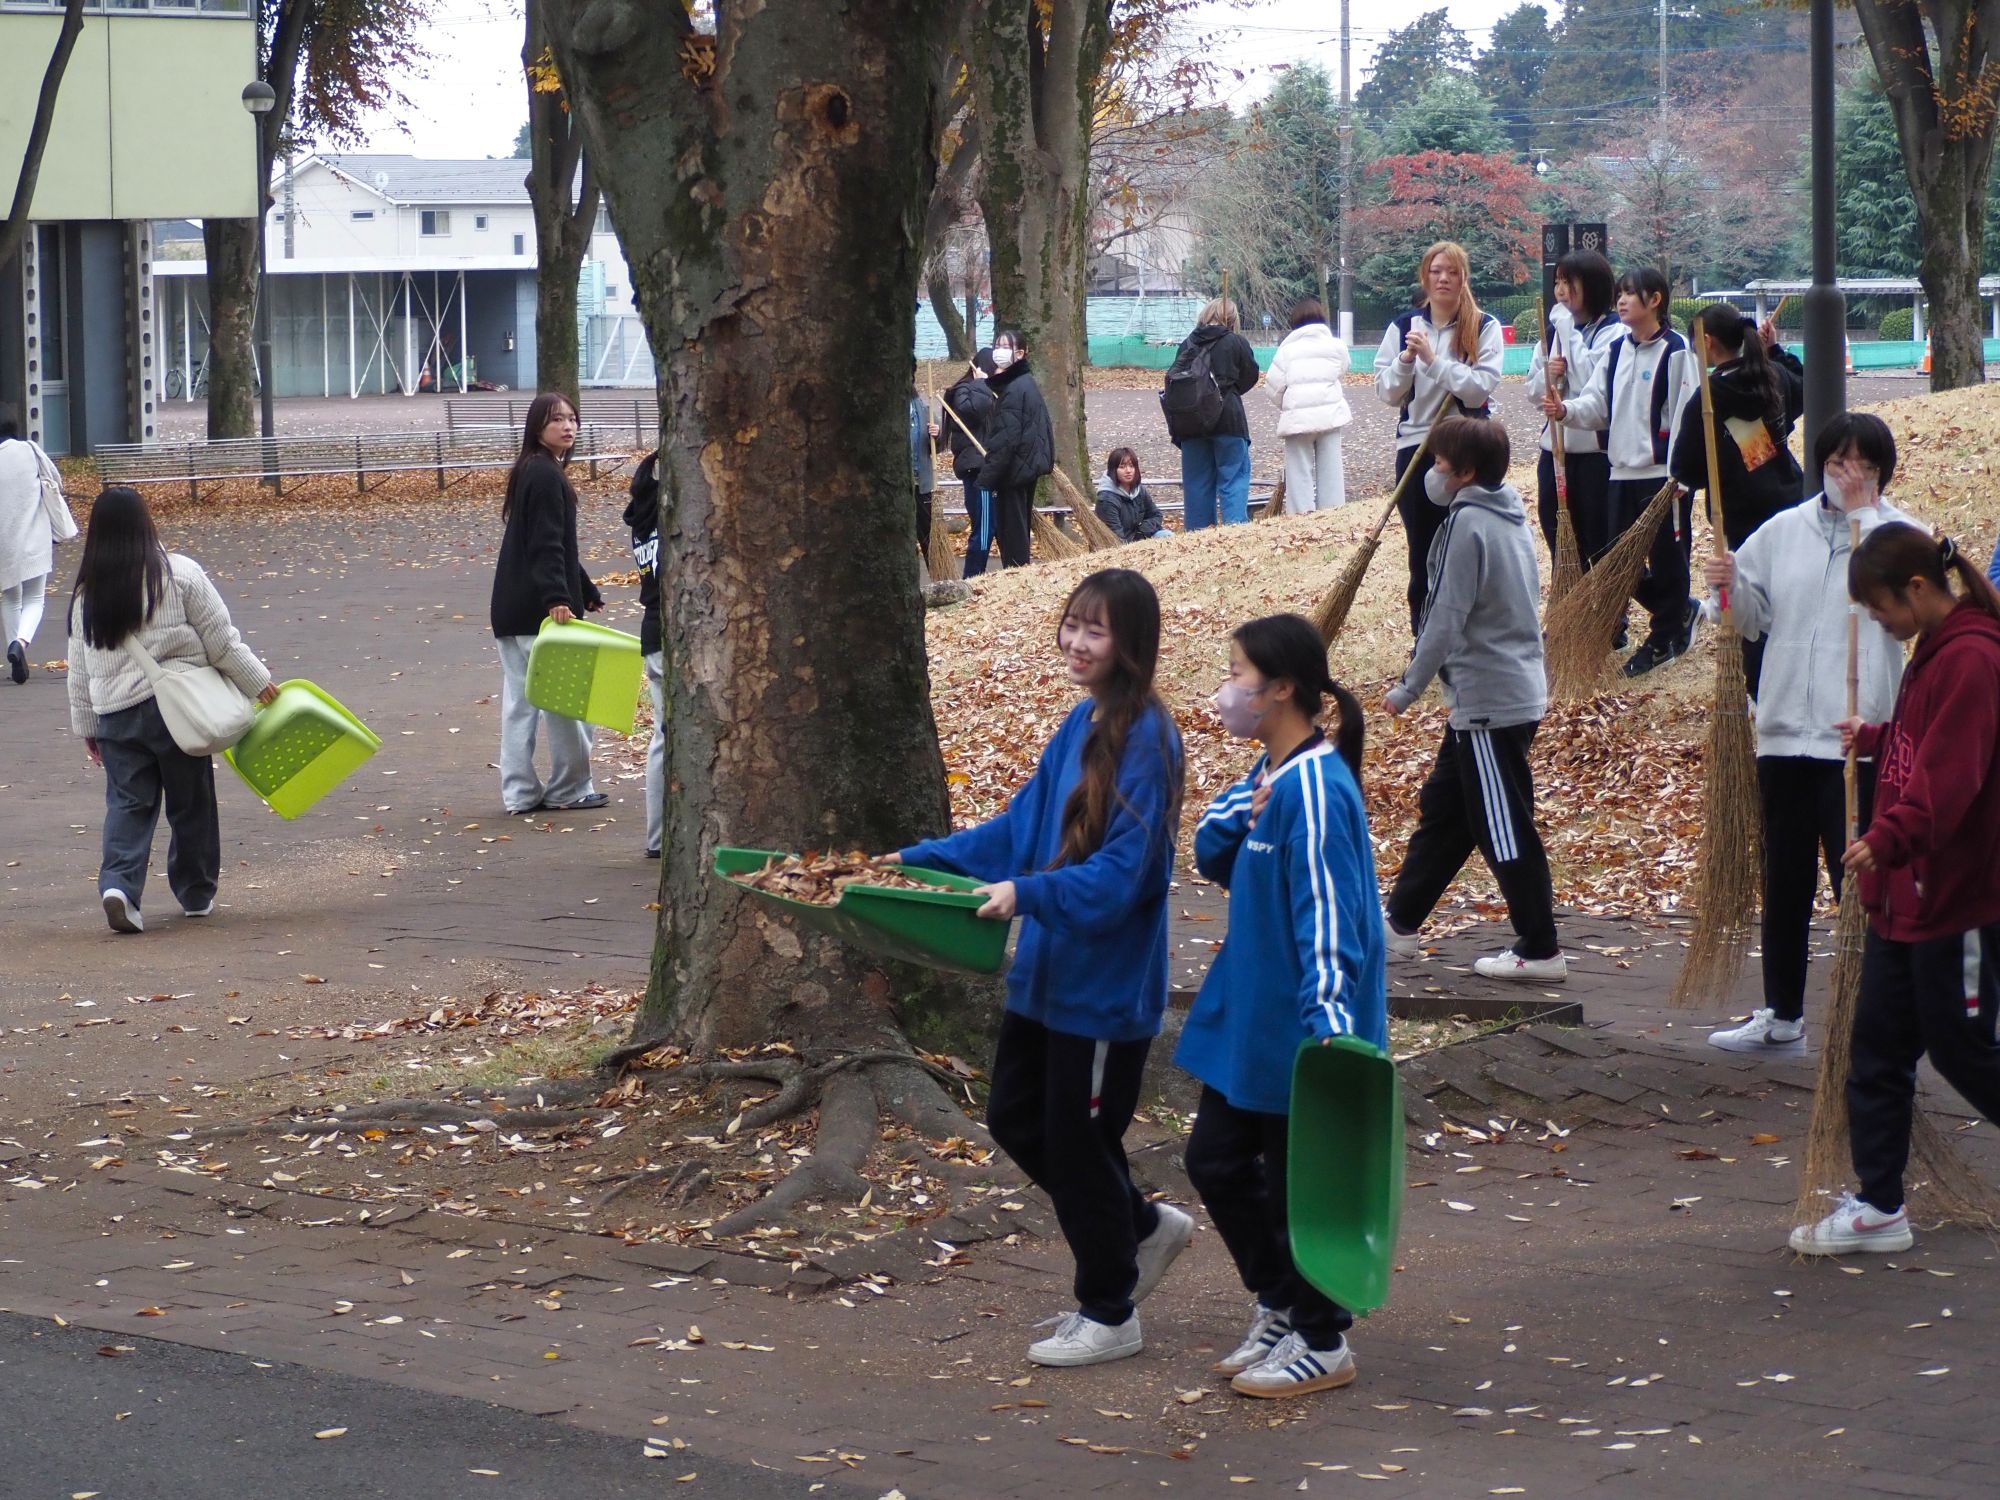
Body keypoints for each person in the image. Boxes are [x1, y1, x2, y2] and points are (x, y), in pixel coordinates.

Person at [889, 569, 1187, 1368]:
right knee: (1016, 1121)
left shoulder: (1148, 738)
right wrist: (913, 865)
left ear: (1132, 643)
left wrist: (1027, 895)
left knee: (1079, 1141)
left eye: (1097, 630)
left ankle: (1109, 1309)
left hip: (1102, 991)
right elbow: (1019, 828)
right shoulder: (1080, 723)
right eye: (1072, 624)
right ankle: (1142, 1227)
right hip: (1045, 980)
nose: (1077, 642)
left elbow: (1128, 876)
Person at [1178, 613, 1386, 1399]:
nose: (1227, 690)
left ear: (1282, 689)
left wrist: (1329, 1028)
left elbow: (1331, 914)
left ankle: (1322, 1336)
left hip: (1301, 1030)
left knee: (1302, 1184)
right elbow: (1208, 849)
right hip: (1250, 1019)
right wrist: (1244, 807)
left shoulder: (1320, 787)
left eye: (1237, 675)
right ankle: (1282, 1301)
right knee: (1215, 1162)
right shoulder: (1275, 774)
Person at [1789, 524, 2000, 1257]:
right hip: (1901, 900)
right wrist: (1879, 737)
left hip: (1957, 899)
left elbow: (1953, 779)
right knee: (1874, 1049)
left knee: (1966, 1051)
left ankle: (1880, 1201)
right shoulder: (1933, 653)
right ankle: (1881, 1205)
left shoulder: (1972, 658)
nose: (1878, 623)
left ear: (1917, 589)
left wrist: (1887, 837)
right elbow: (1924, 743)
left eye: (1880, 608)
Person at [1702, 415, 1917, 1056]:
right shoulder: (1784, 531)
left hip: (1854, 738)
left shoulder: (1899, 536)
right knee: (1785, 876)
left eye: (1865, 466)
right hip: (1782, 733)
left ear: (1882, 474)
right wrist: (1728, 587)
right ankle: (1782, 1013)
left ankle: (1872, 1016)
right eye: (1838, 460)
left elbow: (1906, 621)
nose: (1848, 474)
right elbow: (1750, 618)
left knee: (1857, 884)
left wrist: (1862, 520)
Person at [1381, 417, 1565, 983]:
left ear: (1464, 473)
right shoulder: (1507, 512)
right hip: (1497, 694)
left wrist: (1409, 686)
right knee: (1447, 813)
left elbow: (1444, 616)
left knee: (1502, 824)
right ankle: (1398, 925)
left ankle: (1540, 948)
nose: (1432, 472)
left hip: (1489, 700)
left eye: (1439, 464)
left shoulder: (1467, 526)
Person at [65, 486, 278, 933]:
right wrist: (258, 683)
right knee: (192, 802)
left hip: (116, 714)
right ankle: (196, 892)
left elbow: (79, 669)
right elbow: (221, 640)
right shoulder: (178, 574)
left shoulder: (86, 596)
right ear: (146, 523)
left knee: (127, 804)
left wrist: (87, 725)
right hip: (179, 711)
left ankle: (120, 887)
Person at [1543, 267, 1698, 678]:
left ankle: (1665, 636)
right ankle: (1681, 609)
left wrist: (1681, 475)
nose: (1622, 301)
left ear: (1656, 300)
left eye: (1632, 294)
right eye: (1621, 294)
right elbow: (1596, 403)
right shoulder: (1616, 351)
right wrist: (1566, 411)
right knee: (1612, 559)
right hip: (1619, 472)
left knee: (1667, 559)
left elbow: (1688, 414)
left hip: (1664, 475)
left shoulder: (1677, 350)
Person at [1671, 305, 1807, 696]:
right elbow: (1803, 386)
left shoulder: (1711, 396)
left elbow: (1688, 468)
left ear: (1707, 342)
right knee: (1789, 594)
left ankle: (1759, 690)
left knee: (1750, 603)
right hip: (1791, 498)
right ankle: (1792, 679)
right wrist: (1775, 352)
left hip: (1744, 513)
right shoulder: (1772, 375)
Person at [1374, 242, 1506, 634]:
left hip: (1468, 448)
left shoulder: (1484, 327)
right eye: (1436, 271)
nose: (1443, 278)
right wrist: (1406, 361)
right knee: (1423, 550)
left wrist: (1435, 361)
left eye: (1451, 271)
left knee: (1467, 548)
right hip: (1416, 446)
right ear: (1424, 277)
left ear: (1463, 277)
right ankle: (1426, 638)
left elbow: (1479, 390)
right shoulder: (1403, 328)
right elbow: (1386, 392)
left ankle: (1473, 634)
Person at [489, 392, 606, 816]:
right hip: (539, 611)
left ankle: (519, 794)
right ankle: (569, 789)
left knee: (521, 704)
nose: (568, 427)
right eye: (557, 420)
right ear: (537, 426)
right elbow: (546, 543)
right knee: (569, 703)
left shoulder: (532, 470)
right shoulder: (545, 474)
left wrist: (584, 588)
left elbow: (549, 543)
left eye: (573, 419)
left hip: (512, 607)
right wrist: (558, 596)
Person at [1525, 250, 1620, 586]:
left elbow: (1591, 383)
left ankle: (1611, 619)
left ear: (1592, 285)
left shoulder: (1613, 332)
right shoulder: (1550, 334)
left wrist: (1567, 332)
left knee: (1598, 538)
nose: (1561, 290)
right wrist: (1547, 376)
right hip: (1555, 452)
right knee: (1558, 534)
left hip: (1595, 455)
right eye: (1558, 282)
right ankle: (1570, 607)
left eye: (1570, 282)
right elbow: (1533, 392)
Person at [1168, 297, 1262, 529]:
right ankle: (1234, 531)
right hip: (1228, 420)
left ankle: (1198, 538)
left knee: (1197, 484)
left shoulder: (1187, 343)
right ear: (1232, 319)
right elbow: (1250, 375)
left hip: (1190, 423)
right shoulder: (1236, 342)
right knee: (1234, 478)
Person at [0, 402, 77, 684]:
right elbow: (54, 479)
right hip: (33, 535)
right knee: (34, 598)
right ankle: (20, 643)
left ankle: (13, 657)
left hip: (3, 542)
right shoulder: (29, 451)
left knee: (10, 597)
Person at [975, 330, 1054, 569]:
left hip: (1014, 473)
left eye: (1005, 346)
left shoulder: (1014, 390)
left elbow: (1005, 441)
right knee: (1017, 530)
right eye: (996, 344)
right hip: (1025, 468)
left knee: (1013, 535)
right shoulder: (1023, 384)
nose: (998, 351)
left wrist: (985, 479)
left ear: (1020, 353)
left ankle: (1017, 574)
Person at [1264, 298, 1352, 513]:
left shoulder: (1286, 351)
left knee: (1298, 473)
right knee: (1331, 471)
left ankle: (1301, 516)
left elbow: (1272, 387)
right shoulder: (1337, 346)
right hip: (1330, 416)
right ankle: (1332, 515)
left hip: (1297, 421)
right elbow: (1342, 370)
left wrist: (1287, 405)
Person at [624, 450, 665, 860]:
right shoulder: (669, 516)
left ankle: (658, 836)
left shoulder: (642, 516)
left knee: (662, 737)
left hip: (653, 634)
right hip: (669, 635)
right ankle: (660, 837)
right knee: (668, 736)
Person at [944, 349, 999, 575]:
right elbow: (971, 412)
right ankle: (973, 577)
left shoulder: (994, 391)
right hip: (977, 470)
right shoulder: (965, 390)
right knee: (984, 528)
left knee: (990, 525)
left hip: (993, 467)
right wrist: (981, 385)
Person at [1094, 448, 1166, 542]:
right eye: (1122, 467)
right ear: (1113, 470)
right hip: (1117, 546)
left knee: (1166, 536)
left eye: (1131, 466)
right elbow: (1115, 537)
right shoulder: (1106, 500)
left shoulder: (1139, 490)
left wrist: (1141, 533)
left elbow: (1156, 515)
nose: (1128, 471)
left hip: (1137, 538)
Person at [909, 385, 939, 551]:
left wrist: (937, 433)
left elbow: (938, 446)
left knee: (928, 536)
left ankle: (936, 571)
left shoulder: (922, 408)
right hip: (900, 486)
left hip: (922, 483)